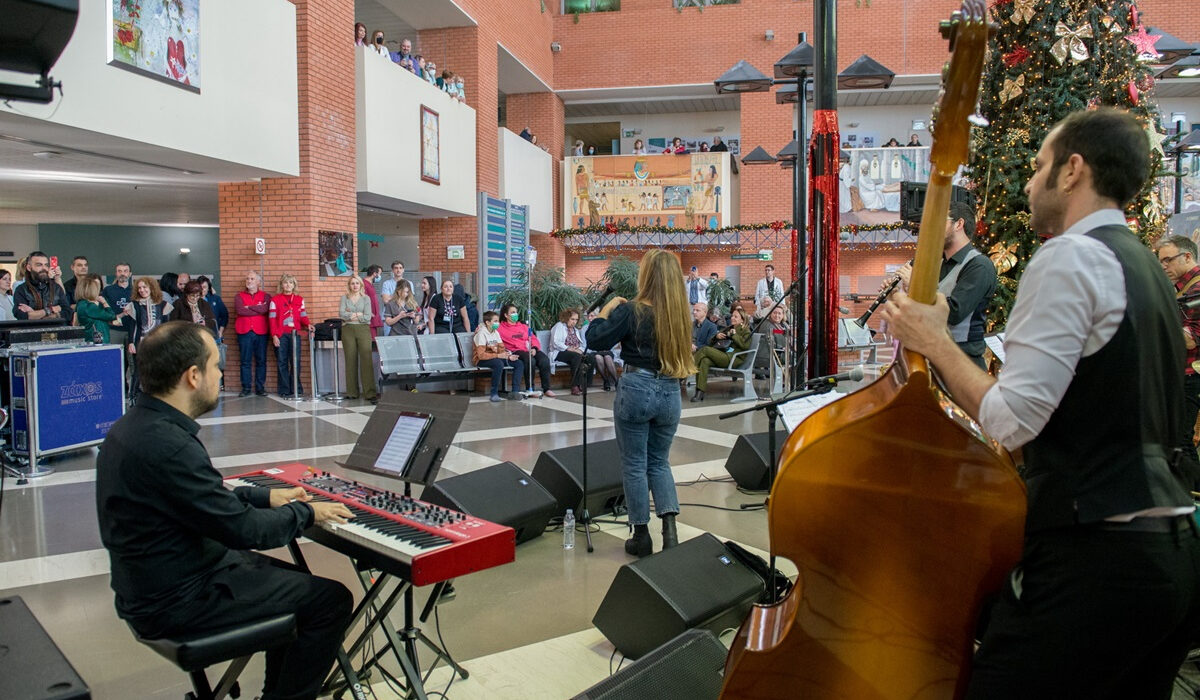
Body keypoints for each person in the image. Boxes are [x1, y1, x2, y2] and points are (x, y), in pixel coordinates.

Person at [880, 108, 1200, 699]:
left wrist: (936, 343)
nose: (1028, 184)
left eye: (1038, 167)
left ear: (1073, 170)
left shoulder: (1069, 258)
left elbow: (1011, 420)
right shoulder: (1146, 268)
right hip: (1172, 553)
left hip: (1099, 562)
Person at [96, 320, 353, 700]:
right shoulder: (169, 446)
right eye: (217, 366)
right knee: (330, 601)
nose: (221, 373)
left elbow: (198, 501)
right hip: (178, 600)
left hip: (158, 582)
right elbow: (245, 531)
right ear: (193, 376)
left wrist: (265, 497)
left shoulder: (135, 427)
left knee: (296, 580)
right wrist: (309, 514)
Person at [586, 249, 694, 557]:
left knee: (635, 464)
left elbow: (595, 340)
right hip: (670, 391)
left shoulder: (632, 310)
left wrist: (605, 311)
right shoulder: (680, 315)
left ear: (646, 276)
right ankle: (670, 533)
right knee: (659, 462)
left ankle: (641, 536)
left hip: (636, 387)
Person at [894, 200, 997, 370]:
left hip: (964, 363)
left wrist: (916, 285)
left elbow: (954, 313)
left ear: (959, 224)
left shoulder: (979, 265)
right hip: (935, 357)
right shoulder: (938, 263)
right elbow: (925, 309)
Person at [1154, 234, 1200, 491]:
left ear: (1187, 256)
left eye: (1167, 260)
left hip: (1191, 375)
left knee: (1182, 439)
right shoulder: (1182, 289)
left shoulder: (1196, 289)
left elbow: (1192, 338)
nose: (1163, 267)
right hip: (1181, 373)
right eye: (1160, 261)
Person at [692, 305, 752, 402]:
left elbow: (745, 346)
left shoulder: (746, 331)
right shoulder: (729, 328)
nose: (732, 318)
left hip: (733, 358)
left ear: (742, 320)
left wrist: (734, 335)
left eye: (736, 317)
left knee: (705, 350)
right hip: (722, 355)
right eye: (732, 316)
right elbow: (711, 342)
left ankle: (688, 369)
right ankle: (699, 392)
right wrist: (717, 336)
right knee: (705, 361)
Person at [127, 277, 172, 401]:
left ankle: (158, 396)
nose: (142, 290)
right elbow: (133, 326)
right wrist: (131, 342)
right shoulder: (134, 305)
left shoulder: (163, 305)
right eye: (139, 288)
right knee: (138, 370)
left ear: (151, 288)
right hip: (141, 341)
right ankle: (134, 396)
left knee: (158, 368)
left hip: (157, 342)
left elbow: (165, 326)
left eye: (144, 287)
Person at [499, 303, 555, 398]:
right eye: (512, 312)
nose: (515, 314)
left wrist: (534, 348)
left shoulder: (524, 326)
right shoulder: (500, 328)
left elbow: (532, 338)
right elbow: (488, 328)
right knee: (530, 360)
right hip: (515, 350)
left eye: (516, 312)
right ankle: (530, 388)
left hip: (529, 349)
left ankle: (547, 388)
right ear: (505, 315)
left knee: (544, 360)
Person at [269, 274, 310, 398]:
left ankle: (296, 388)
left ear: (294, 285)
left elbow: (303, 315)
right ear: (281, 285)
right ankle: (284, 389)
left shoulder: (299, 299)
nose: (288, 285)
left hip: (295, 334)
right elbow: (272, 319)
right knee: (282, 362)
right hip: (281, 335)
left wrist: (308, 325)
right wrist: (274, 335)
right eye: (286, 283)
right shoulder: (275, 300)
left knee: (295, 361)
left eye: (291, 283)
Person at [339, 275, 377, 403]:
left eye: (357, 283)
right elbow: (342, 314)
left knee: (366, 360)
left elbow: (367, 317)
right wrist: (357, 314)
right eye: (352, 283)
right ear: (349, 285)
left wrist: (351, 315)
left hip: (363, 330)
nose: (355, 286)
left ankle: (370, 392)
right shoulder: (344, 298)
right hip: (348, 330)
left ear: (361, 285)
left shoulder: (366, 299)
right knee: (350, 359)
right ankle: (352, 392)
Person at [473, 310, 525, 402]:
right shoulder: (481, 333)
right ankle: (494, 393)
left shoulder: (495, 332)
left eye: (498, 321)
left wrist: (508, 356)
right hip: (481, 360)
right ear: (488, 323)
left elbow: (501, 349)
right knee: (498, 364)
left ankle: (515, 391)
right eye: (495, 321)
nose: (498, 323)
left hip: (495, 357)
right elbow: (481, 355)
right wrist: (498, 355)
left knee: (518, 363)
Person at [235, 271, 270, 397]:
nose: (249, 281)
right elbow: (240, 310)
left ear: (258, 282)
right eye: (247, 279)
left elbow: (265, 309)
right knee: (245, 361)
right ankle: (246, 388)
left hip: (261, 332)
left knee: (261, 361)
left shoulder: (266, 296)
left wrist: (249, 307)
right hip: (244, 332)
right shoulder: (239, 296)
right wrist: (257, 309)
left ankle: (260, 388)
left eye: (252, 279)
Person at [13, 251, 69, 321]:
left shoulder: (56, 287)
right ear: (29, 267)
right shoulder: (21, 289)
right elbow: (21, 315)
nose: (44, 268)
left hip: (55, 330)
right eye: (39, 265)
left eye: (46, 265)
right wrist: (50, 310)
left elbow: (67, 313)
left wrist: (35, 314)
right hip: (32, 330)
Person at [548, 308, 592, 396]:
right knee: (577, 357)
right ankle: (574, 385)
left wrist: (579, 350)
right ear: (566, 318)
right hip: (559, 352)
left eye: (576, 320)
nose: (574, 322)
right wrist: (569, 348)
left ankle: (585, 384)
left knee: (591, 357)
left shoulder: (575, 330)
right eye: (572, 319)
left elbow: (580, 344)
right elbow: (556, 342)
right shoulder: (559, 326)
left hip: (573, 352)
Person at [198, 275, 229, 386]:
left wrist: (221, 331)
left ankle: (216, 385)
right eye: (200, 287)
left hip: (214, 335)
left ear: (209, 287)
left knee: (214, 362)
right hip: (198, 336)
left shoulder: (215, 299)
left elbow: (224, 315)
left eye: (205, 287)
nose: (203, 290)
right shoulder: (194, 300)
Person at [74, 275, 119, 344]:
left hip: (95, 341)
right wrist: (104, 303)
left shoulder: (81, 304)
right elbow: (112, 316)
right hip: (97, 343)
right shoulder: (89, 306)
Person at [584, 309, 620, 391]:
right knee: (598, 357)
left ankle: (616, 381)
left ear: (598, 316)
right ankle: (606, 380)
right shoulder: (585, 328)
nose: (590, 318)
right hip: (593, 351)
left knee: (607, 357)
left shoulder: (604, 327)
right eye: (588, 316)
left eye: (592, 316)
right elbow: (585, 344)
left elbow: (613, 342)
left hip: (607, 350)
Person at [103, 263, 135, 348]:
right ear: (116, 273)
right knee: (115, 356)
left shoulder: (136, 290)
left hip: (132, 329)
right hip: (114, 329)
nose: (122, 274)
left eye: (125, 271)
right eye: (119, 271)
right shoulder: (108, 290)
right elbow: (104, 310)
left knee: (132, 358)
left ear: (130, 274)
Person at [379, 260, 405, 334]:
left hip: (404, 317)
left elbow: (409, 300)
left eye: (400, 268)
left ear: (403, 270)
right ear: (392, 270)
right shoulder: (386, 283)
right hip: (389, 316)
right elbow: (386, 300)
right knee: (389, 342)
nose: (398, 270)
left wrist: (391, 296)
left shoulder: (409, 283)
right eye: (396, 268)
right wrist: (401, 295)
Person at [363, 265, 385, 339]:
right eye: (379, 274)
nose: (379, 276)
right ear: (375, 273)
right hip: (369, 317)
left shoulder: (370, 284)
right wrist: (368, 311)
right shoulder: (364, 284)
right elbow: (363, 299)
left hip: (373, 317)